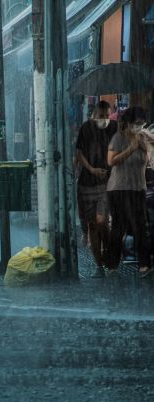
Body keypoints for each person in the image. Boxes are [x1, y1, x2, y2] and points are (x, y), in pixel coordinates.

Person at [106, 106, 152, 277]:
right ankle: (112, 264)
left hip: (138, 187)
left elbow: (146, 162)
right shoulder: (118, 138)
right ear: (128, 123)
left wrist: (145, 144)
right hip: (119, 188)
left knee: (141, 227)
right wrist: (131, 148)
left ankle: (144, 265)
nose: (139, 126)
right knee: (119, 226)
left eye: (142, 123)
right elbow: (111, 161)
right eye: (136, 123)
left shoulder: (143, 138)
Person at [75, 100, 118, 277]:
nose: (105, 119)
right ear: (94, 115)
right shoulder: (86, 128)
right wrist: (91, 169)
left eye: (107, 116)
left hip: (107, 182)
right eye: (101, 116)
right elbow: (79, 153)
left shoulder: (115, 127)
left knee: (102, 220)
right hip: (87, 182)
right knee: (93, 224)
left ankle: (109, 257)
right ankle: (98, 264)